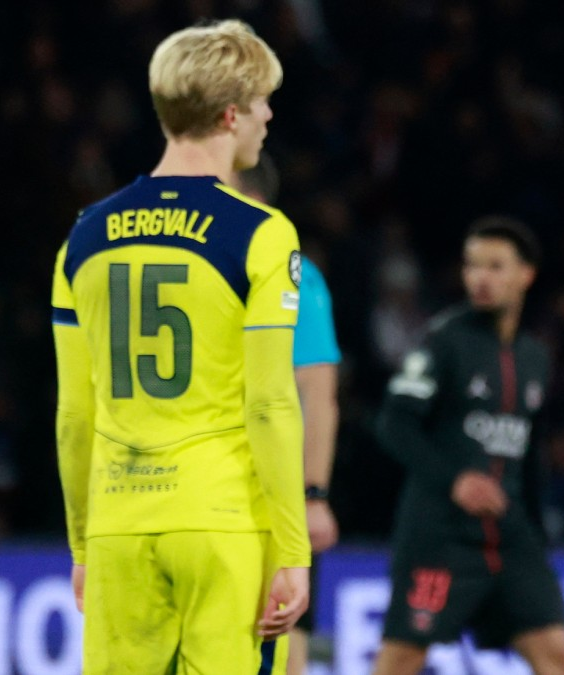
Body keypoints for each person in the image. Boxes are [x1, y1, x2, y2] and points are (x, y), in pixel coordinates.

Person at [51, 20, 309, 673]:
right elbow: (270, 404)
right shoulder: (261, 232)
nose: (269, 116)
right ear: (230, 115)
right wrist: (293, 550)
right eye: (261, 102)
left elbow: (74, 414)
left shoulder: (84, 236)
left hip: (118, 524)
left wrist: (83, 544)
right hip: (222, 526)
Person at [372, 217, 564, 675]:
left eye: (495, 266)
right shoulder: (443, 341)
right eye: (472, 265)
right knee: (401, 659)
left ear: (526, 274)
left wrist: (538, 531)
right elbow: (394, 423)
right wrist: (455, 479)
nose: (480, 278)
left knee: (557, 656)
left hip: (511, 539)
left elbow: (531, 453)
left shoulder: (535, 357)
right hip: (441, 538)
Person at [235, 155, 343, 675]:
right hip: (208, 492)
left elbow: (317, 391)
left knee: (284, 646)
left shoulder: (294, 273)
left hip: (268, 498)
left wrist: (313, 495)